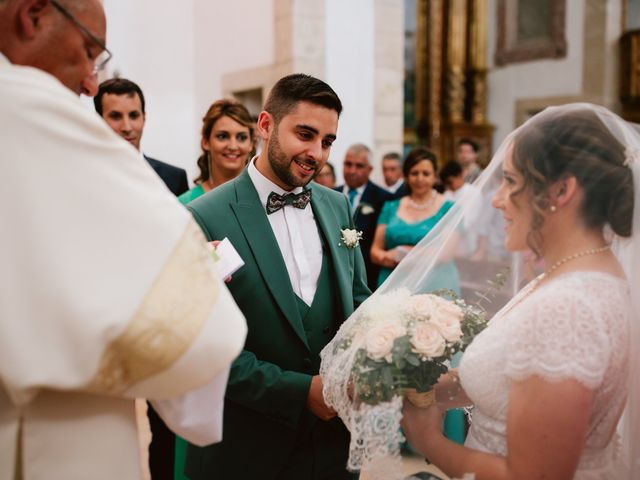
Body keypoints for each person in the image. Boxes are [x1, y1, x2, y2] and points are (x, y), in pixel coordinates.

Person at [0, 1, 247, 479]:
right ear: (32, 16)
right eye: (89, 52)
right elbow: (204, 330)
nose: (90, 81)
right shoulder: (30, 105)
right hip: (52, 430)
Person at [401, 104, 639, 479]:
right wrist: (409, 388)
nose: (496, 199)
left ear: (561, 190)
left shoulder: (567, 307)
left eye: (510, 181)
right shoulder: (581, 277)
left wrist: (430, 442)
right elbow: (512, 381)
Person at [183, 73, 371, 480]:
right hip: (245, 450)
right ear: (265, 126)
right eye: (304, 134)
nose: (316, 153)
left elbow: (358, 302)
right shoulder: (203, 217)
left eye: (327, 141)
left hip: (334, 450)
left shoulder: (338, 206)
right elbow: (202, 347)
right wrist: (300, 392)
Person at [370, 147, 458, 291]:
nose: (420, 179)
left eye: (426, 173)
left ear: (435, 176)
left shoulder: (450, 209)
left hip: (434, 283)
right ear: (405, 176)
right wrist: (387, 257)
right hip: (393, 282)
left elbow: (445, 254)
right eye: (414, 173)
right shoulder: (390, 207)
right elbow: (375, 251)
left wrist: (403, 253)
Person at [95, 78, 189, 197]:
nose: (127, 127)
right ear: (98, 120)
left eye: (134, 116)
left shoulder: (174, 178)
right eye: (116, 117)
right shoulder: (85, 176)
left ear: (144, 118)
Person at [335, 144, 393, 290]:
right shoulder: (331, 195)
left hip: (369, 276)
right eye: (348, 164)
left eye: (359, 166)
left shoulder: (384, 198)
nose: (352, 171)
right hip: (335, 275)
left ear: (370, 170)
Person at [179, 98, 255, 204]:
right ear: (206, 142)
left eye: (242, 137)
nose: (233, 146)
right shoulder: (185, 204)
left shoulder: (266, 200)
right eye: (222, 136)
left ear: (251, 143)